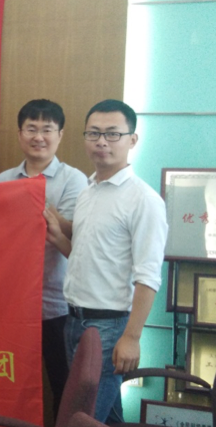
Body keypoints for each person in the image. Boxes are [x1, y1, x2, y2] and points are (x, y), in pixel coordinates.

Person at [45, 99, 168, 424]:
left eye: (112, 134)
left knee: (81, 417)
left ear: (132, 139)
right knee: (105, 416)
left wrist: (132, 337)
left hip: (109, 326)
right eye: (94, 133)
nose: (102, 141)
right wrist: (58, 233)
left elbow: (148, 276)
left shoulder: (144, 200)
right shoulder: (89, 190)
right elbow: (88, 253)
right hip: (74, 320)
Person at [0, 99, 88, 419]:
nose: (39, 137)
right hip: (12, 305)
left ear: (60, 135)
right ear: (19, 134)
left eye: (47, 129)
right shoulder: (3, 180)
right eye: (31, 129)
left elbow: (76, 232)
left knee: (63, 385)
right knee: (12, 383)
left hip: (56, 305)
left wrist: (35, 202)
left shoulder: (74, 179)